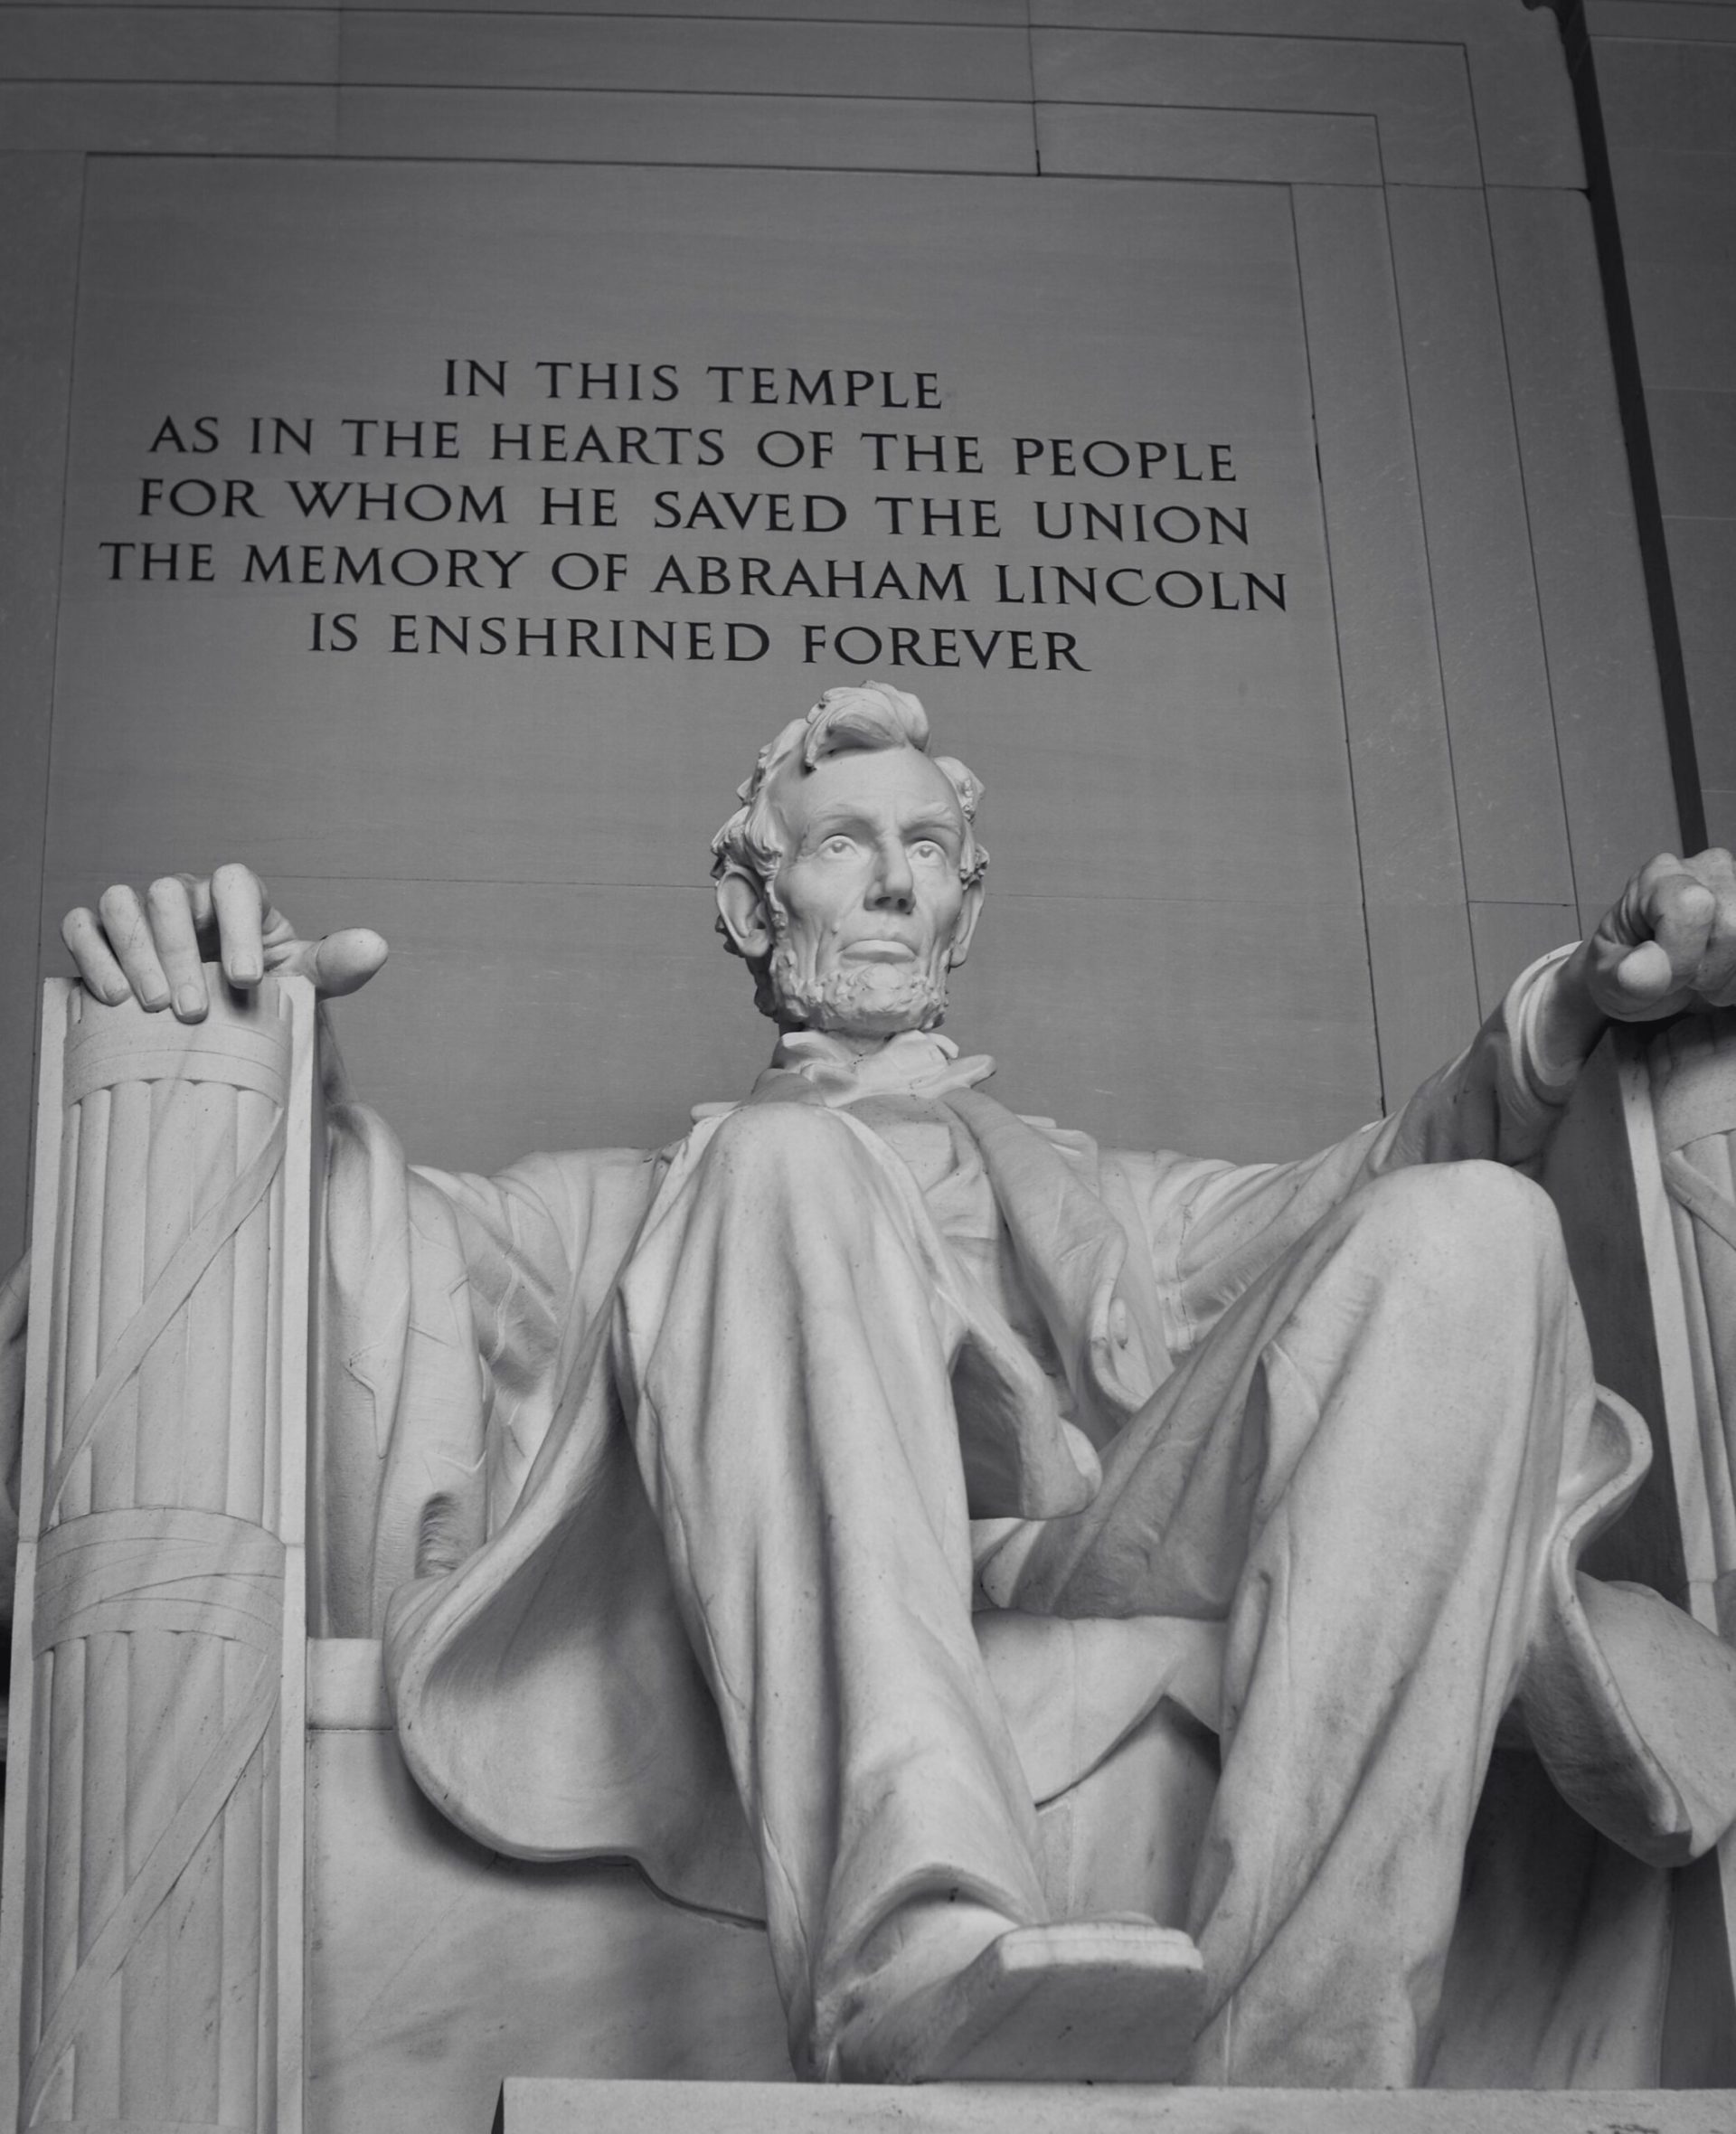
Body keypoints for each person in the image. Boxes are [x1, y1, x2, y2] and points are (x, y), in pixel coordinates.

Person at [48, 683, 1736, 2087]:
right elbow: (369, 1244)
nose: (888, 883)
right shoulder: (634, 1206)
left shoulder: (1104, 1197)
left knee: (1474, 1228)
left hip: (1089, 1537)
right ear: (752, 899)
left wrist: (1569, 1007)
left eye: (926, 850)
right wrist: (255, 1039)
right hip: (789, 1499)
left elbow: (1378, 1181)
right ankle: (914, 1944)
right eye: (842, 843)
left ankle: (1304, 2043)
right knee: (787, 1172)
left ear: (965, 904)